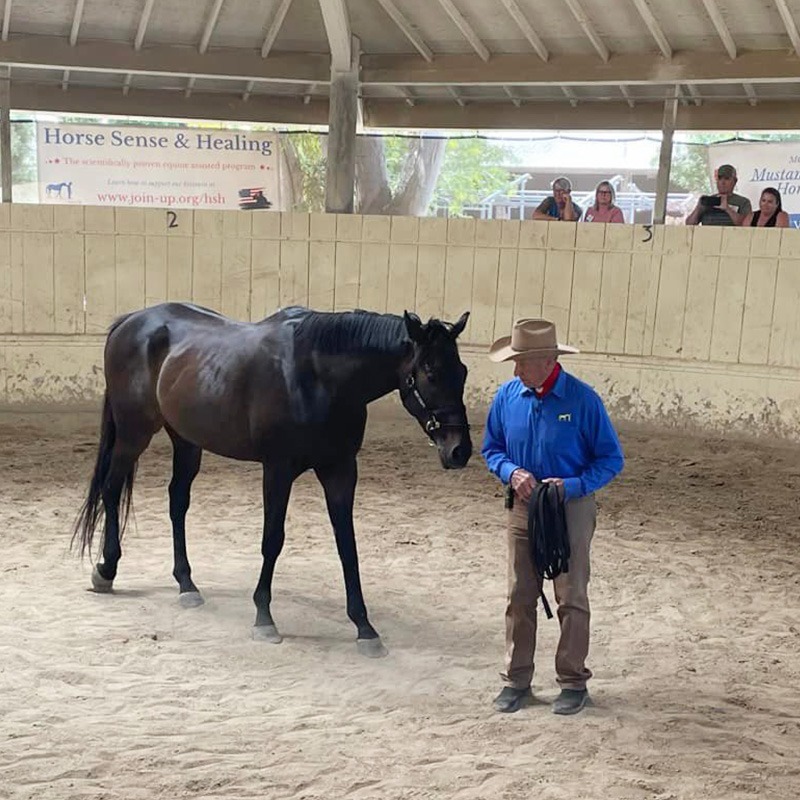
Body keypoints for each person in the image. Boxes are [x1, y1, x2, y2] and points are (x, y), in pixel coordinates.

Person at [482, 319, 624, 716]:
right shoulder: (507, 396)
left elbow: (611, 459)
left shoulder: (583, 401)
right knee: (518, 594)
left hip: (570, 509)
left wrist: (574, 486)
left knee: (571, 595)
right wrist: (511, 472)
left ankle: (573, 681)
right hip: (523, 506)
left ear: (546, 361)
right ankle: (517, 679)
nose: (515, 370)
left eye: (521, 362)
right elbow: (492, 448)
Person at [685, 164, 752, 226]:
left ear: (735, 181)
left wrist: (727, 209)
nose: (722, 182)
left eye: (727, 178)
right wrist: (698, 208)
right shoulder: (708, 201)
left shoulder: (743, 202)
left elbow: (745, 225)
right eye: (719, 178)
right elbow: (689, 224)